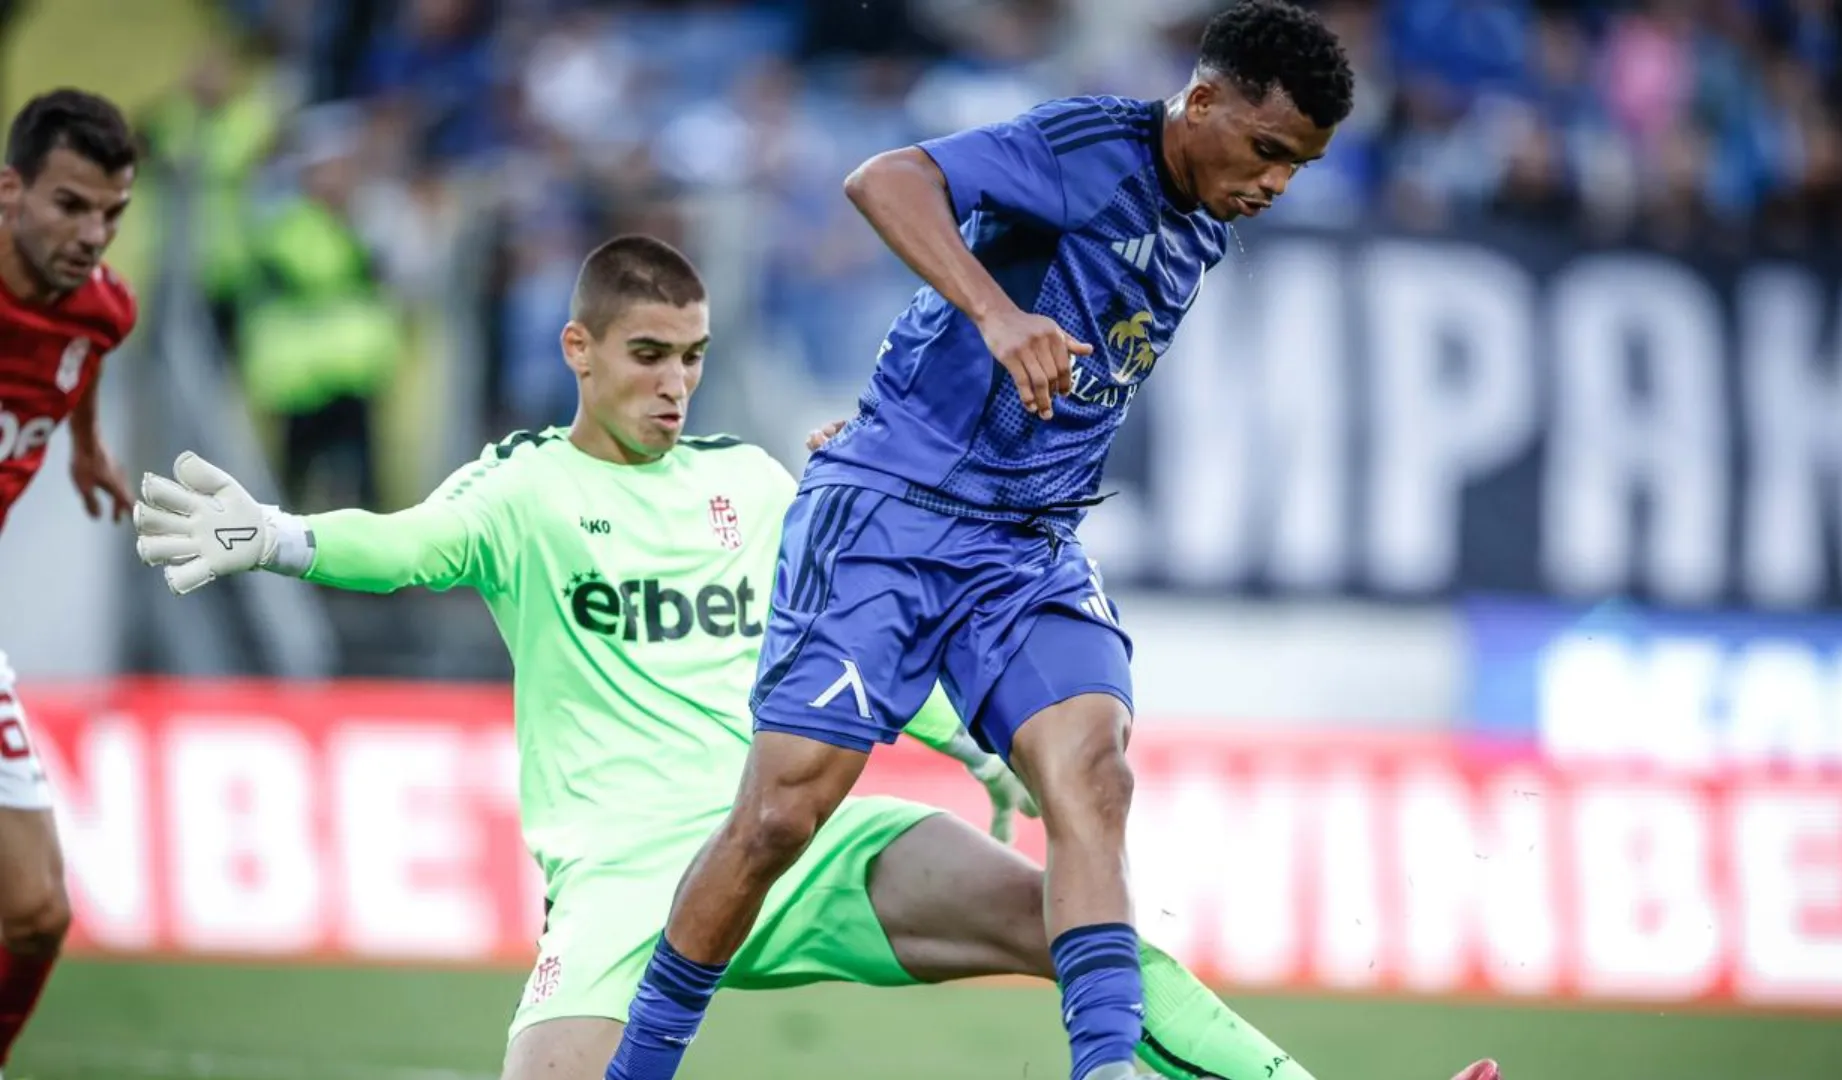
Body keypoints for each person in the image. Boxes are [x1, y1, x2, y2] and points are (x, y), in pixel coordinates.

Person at [131, 236, 1492, 1080]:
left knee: (1077, 927)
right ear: (579, 352)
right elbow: (402, 544)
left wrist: (972, 745)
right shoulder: (522, 493)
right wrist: (279, 537)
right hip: (623, 883)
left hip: (805, 840)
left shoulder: (760, 483)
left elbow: (865, 629)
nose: (676, 383)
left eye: (694, 357)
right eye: (649, 357)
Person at [603, 5, 1463, 1080]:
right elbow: (886, 179)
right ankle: (637, 1065)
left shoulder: (1203, 212)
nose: (1275, 184)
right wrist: (992, 317)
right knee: (780, 815)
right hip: (893, 521)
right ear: (1201, 103)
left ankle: (1102, 1070)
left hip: (1025, 547)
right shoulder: (1090, 149)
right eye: (1268, 150)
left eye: (1300, 166)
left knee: (1094, 776)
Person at [0, 87, 139, 1075]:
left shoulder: (104, 314)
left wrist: (86, 449)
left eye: (111, 214)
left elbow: (78, 359)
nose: (93, 235)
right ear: (9, 191)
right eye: (69, 205)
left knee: (39, 914)